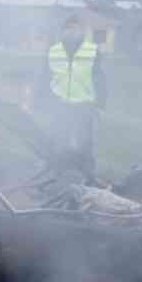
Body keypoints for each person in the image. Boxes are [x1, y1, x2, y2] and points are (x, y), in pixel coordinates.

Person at [29, 15, 107, 178]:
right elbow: (45, 76)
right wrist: (38, 101)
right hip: (59, 104)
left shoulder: (92, 50)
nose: (73, 31)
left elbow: (99, 77)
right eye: (69, 28)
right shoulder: (53, 50)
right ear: (63, 31)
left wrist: (100, 103)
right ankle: (56, 173)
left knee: (85, 143)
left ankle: (88, 175)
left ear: (82, 31)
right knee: (58, 141)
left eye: (76, 28)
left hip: (84, 104)